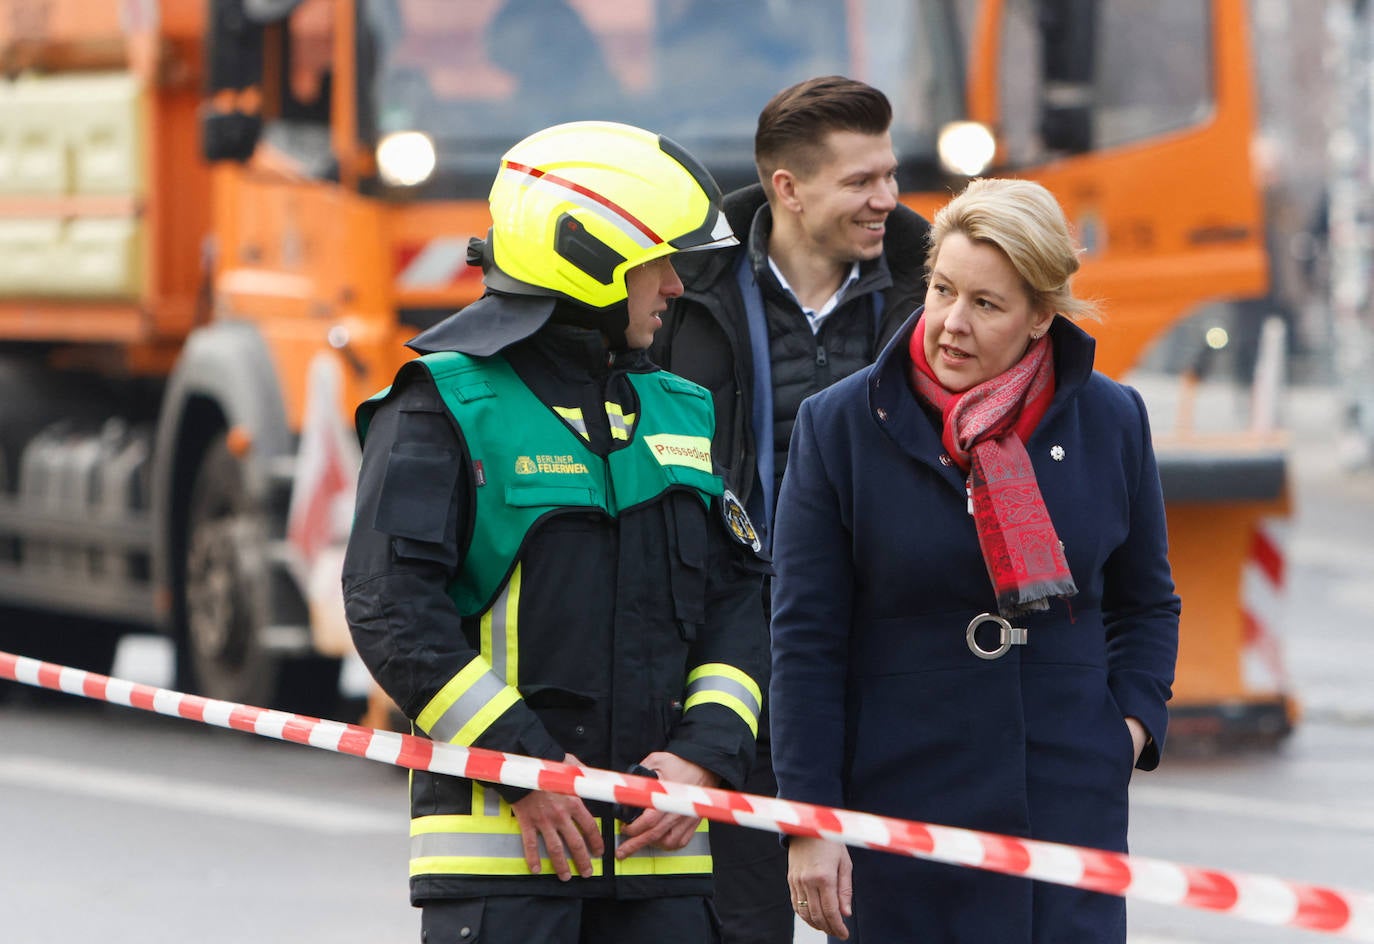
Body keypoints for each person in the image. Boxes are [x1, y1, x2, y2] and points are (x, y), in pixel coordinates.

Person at [343, 121, 769, 944]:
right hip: (507, 865)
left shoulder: (683, 410)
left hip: (662, 863)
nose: (677, 287)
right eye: (658, 262)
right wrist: (523, 767)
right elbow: (390, 608)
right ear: (591, 262)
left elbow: (739, 599)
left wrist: (706, 755)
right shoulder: (445, 406)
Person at [769, 177, 1180, 943]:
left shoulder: (1112, 419)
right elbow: (806, 640)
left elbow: (1145, 602)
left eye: (985, 305)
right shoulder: (842, 425)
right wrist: (810, 820)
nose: (950, 325)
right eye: (942, 290)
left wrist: (1125, 730)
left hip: (1066, 795)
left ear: (1039, 319)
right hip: (899, 802)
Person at [651, 75, 930, 944]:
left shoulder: (934, 288)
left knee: (903, 922)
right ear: (788, 189)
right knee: (741, 927)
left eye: (889, 174)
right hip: (730, 661)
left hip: (889, 670)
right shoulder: (678, 291)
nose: (887, 198)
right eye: (860, 182)